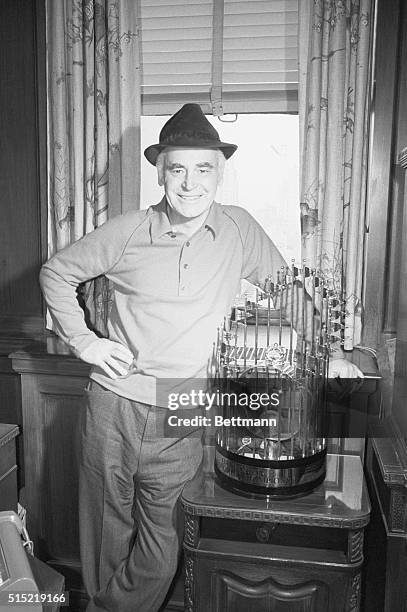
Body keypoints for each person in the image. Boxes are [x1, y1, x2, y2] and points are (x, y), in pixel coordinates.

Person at [40, 103, 362, 612]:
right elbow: (56, 273)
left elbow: (290, 296)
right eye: (178, 169)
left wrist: (333, 353)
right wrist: (86, 342)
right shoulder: (126, 229)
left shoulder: (239, 228)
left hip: (184, 410)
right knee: (104, 533)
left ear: (220, 172)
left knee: (165, 540)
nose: (190, 183)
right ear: (161, 172)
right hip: (114, 406)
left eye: (203, 168)